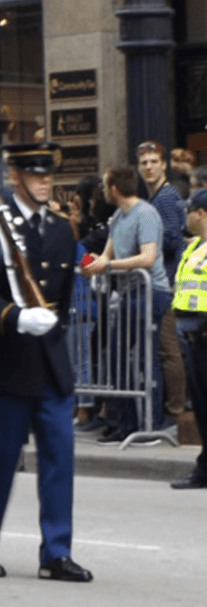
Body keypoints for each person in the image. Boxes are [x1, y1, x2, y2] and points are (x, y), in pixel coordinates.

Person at [0, 142, 93, 582]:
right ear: (14, 178)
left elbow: (62, 295)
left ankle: (56, 552)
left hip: (51, 364)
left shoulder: (61, 230)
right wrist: (16, 316)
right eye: (34, 174)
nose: (44, 181)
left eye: (47, 174)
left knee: (60, 458)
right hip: (7, 363)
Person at [80, 166, 174, 446]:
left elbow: (148, 258)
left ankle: (149, 424)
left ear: (115, 189)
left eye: (106, 184)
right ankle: (124, 424)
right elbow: (108, 254)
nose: (103, 189)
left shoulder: (145, 213)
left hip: (148, 292)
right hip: (127, 294)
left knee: (145, 358)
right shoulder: (118, 216)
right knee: (117, 358)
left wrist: (107, 264)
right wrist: (94, 263)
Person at [137, 142, 186, 428]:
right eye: (144, 163)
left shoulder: (165, 197)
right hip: (164, 281)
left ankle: (174, 412)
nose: (149, 167)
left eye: (154, 161)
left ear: (164, 164)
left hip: (167, 283)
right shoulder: (157, 197)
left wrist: (143, 244)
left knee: (169, 350)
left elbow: (174, 240)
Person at [170, 189, 207, 489]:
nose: (186, 216)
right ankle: (204, 469)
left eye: (189, 210)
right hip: (193, 339)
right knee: (202, 409)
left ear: (201, 214)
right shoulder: (194, 247)